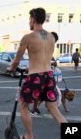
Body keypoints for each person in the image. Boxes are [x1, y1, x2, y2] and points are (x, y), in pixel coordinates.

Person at [7, 8, 67, 139]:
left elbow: (16, 60)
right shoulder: (51, 37)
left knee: (23, 105)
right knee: (54, 109)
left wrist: (10, 68)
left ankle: (29, 136)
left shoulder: (28, 37)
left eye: (29, 19)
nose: (29, 21)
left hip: (35, 77)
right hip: (49, 76)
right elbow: (42, 57)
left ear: (33, 19)